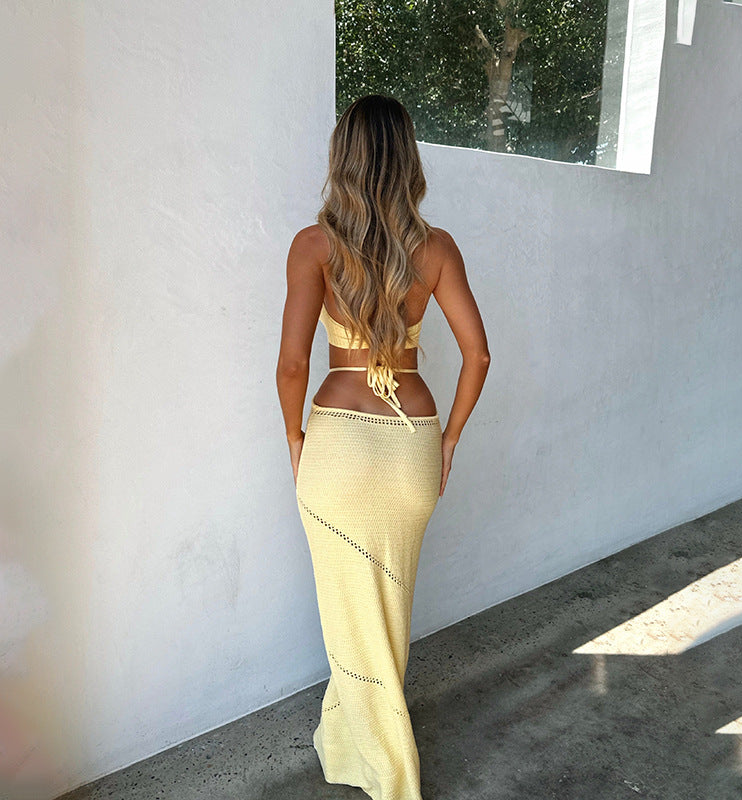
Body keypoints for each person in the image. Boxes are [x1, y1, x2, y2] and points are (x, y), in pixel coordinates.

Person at [276, 94, 490, 800]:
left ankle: (384, 762)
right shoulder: (438, 248)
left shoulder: (313, 245)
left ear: (343, 157)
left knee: (347, 609)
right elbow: (478, 356)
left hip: (336, 447)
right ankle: (354, 742)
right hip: (410, 446)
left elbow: (292, 367)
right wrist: (448, 441)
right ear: (409, 161)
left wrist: (295, 439)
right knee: (388, 607)